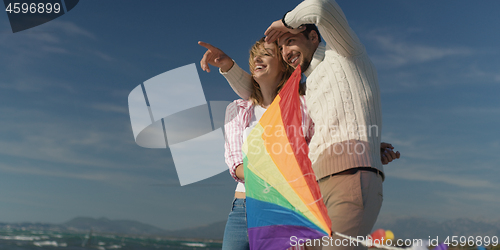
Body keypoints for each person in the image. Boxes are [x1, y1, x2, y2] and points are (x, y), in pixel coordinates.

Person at [209, 0, 401, 249]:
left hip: (329, 186)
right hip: (308, 190)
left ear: (313, 37)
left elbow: (322, 8)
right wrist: (369, 145)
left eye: (289, 41)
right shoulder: (305, 88)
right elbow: (259, 93)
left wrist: (285, 23)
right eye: (281, 46)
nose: (286, 50)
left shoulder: (342, 53)